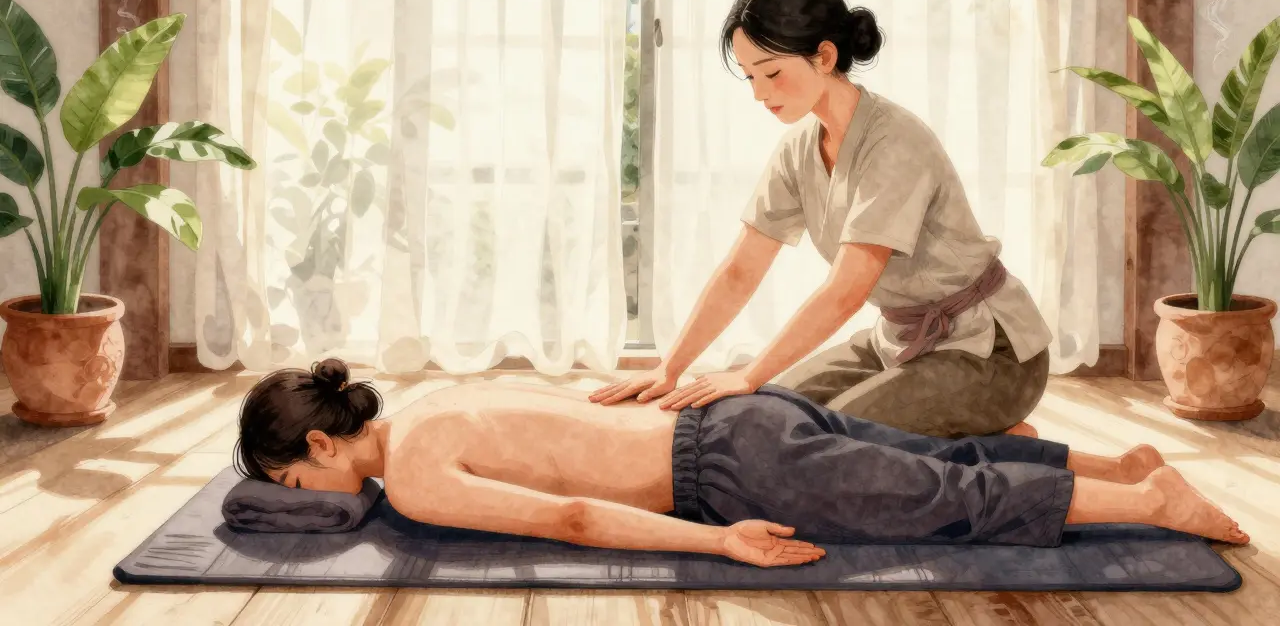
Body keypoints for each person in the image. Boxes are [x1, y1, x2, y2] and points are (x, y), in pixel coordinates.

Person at [591, 0, 1053, 439]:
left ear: (825, 56)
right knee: (759, 421)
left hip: (990, 353)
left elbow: (846, 291)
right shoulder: (799, 149)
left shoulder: (895, 141)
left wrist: (749, 374)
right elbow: (740, 270)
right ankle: (992, 445)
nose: (759, 92)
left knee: (825, 441)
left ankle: (1004, 451)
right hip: (897, 344)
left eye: (771, 72)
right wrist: (671, 367)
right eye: (750, 76)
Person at [233, 359, 1248, 568]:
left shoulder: (408, 471)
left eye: (292, 480)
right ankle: (1111, 455)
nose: (307, 496)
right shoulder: (434, 399)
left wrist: (717, 540)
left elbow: (571, 522)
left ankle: (1147, 498)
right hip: (738, 419)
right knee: (907, 450)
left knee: (929, 499)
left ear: (321, 443)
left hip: (725, 471)